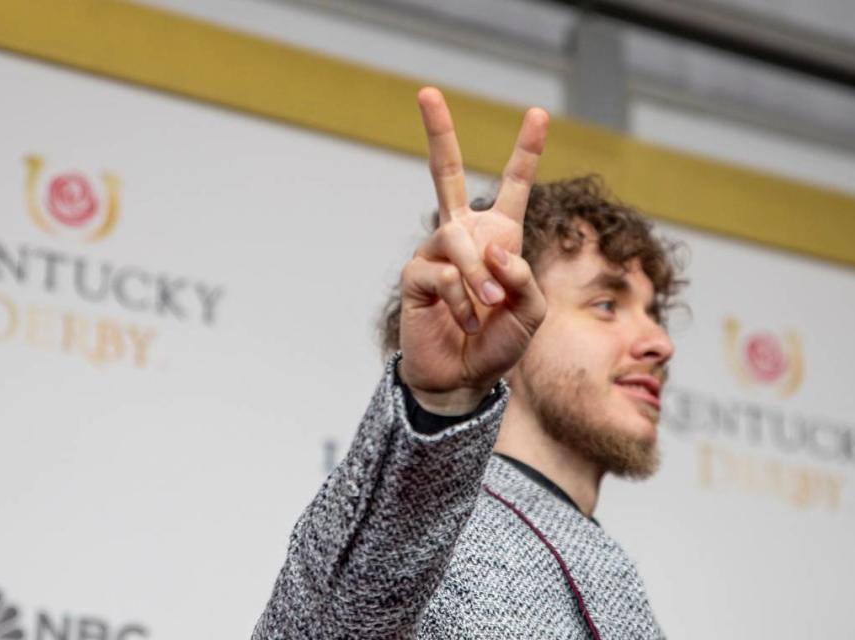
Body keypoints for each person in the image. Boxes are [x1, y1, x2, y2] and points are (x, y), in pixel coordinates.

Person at [252, 87, 684, 639]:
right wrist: (440, 405)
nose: (659, 343)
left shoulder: (607, 567)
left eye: (654, 314)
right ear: (499, 310)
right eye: (606, 305)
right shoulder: (425, 531)